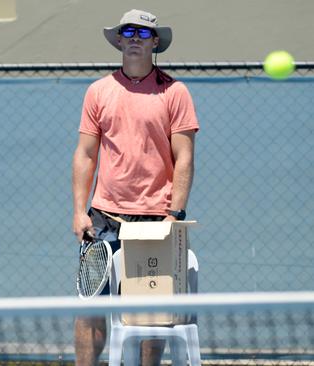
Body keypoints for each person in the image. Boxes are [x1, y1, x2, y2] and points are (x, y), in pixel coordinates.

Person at [71, 9, 199, 366]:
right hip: (103, 221)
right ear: (118, 40)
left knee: (150, 317)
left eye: (143, 33)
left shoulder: (175, 92)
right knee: (91, 309)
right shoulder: (98, 91)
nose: (134, 38)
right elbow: (85, 155)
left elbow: (185, 158)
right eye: (127, 32)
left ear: (155, 42)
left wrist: (174, 214)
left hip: (155, 223)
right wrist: (79, 211)